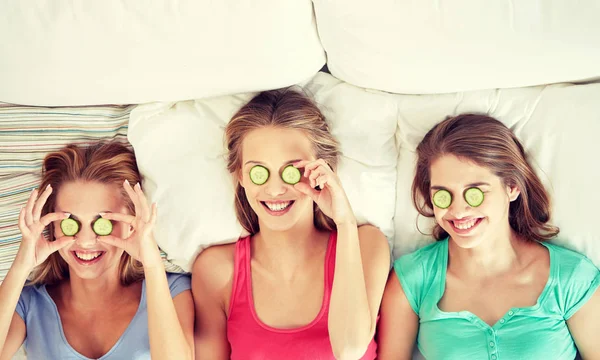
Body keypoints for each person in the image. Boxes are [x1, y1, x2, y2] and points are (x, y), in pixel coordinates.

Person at [377, 114, 600, 359]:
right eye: (443, 195)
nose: (458, 211)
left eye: (475, 193)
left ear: (512, 186)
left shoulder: (572, 277)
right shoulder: (411, 279)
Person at [192, 88, 390, 360]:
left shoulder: (365, 244)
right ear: (240, 175)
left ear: (324, 169)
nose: (275, 190)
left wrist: (344, 221)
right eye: (259, 172)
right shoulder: (215, 271)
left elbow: (350, 349)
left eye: (292, 171)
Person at [0, 142, 194, 360]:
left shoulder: (172, 289)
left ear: (132, 222)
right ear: (52, 226)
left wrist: (152, 264)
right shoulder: (27, 303)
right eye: (69, 221)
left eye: (103, 221)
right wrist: (22, 266)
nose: (84, 240)